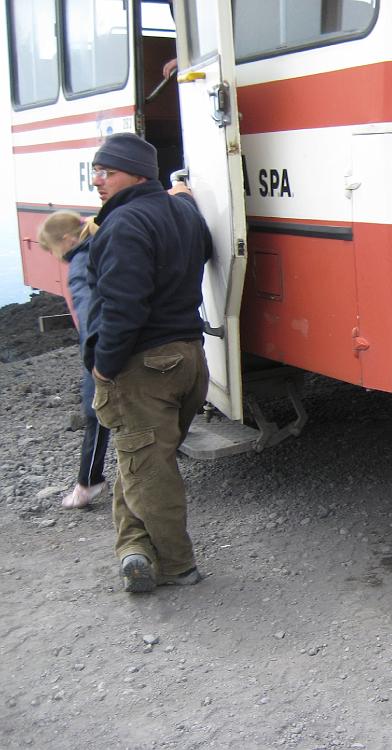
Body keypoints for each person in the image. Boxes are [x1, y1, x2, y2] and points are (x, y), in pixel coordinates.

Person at [83, 132, 214, 594]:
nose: (97, 181)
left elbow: (124, 307)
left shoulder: (123, 226)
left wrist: (104, 364)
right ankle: (134, 549)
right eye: (95, 171)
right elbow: (202, 241)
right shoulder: (180, 212)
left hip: (144, 367)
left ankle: (178, 566)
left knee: (148, 470)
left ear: (137, 174)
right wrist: (184, 196)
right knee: (137, 458)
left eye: (107, 172)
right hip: (190, 360)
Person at [37, 211, 110, 509]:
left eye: (54, 250)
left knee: (96, 414)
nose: (58, 257)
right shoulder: (107, 240)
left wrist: (91, 361)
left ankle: (88, 483)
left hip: (105, 350)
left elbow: (89, 317)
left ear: (67, 240)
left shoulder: (80, 262)